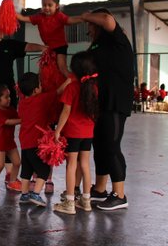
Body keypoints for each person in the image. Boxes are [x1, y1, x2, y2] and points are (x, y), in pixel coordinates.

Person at [0, 6, 46, 188]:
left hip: (7, 96)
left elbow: (29, 46)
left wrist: (47, 49)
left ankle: (8, 173)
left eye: (1, 25)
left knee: (7, 134)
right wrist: (1, 9)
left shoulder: (11, 45)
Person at [81, 8, 134, 211]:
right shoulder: (97, 44)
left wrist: (84, 15)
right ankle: (101, 189)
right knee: (100, 146)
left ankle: (119, 194)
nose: (89, 30)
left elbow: (107, 19)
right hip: (100, 102)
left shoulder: (116, 39)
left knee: (111, 146)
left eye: (91, 26)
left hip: (116, 102)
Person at [53, 51, 99, 214]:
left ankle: (70, 202)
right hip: (88, 132)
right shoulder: (94, 87)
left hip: (73, 132)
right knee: (85, 164)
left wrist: (57, 131)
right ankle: (86, 201)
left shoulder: (72, 88)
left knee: (71, 165)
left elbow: (65, 112)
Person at [15, 0, 81, 82]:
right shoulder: (39, 17)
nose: (46, 8)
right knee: (43, 70)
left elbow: (70, 20)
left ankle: (75, 82)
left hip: (60, 46)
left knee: (62, 68)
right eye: (44, 5)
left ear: (57, 6)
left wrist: (83, 18)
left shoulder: (59, 16)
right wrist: (10, 11)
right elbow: (22, 18)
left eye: (50, 5)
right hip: (48, 48)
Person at [16, 72, 56, 207]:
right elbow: (58, 92)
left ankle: (24, 194)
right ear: (35, 90)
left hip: (25, 142)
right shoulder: (41, 99)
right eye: (40, 84)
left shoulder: (22, 103)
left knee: (26, 170)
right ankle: (36, 194)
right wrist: (69, 81)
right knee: (44, 169)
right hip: (36, 143)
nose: (41, 86)